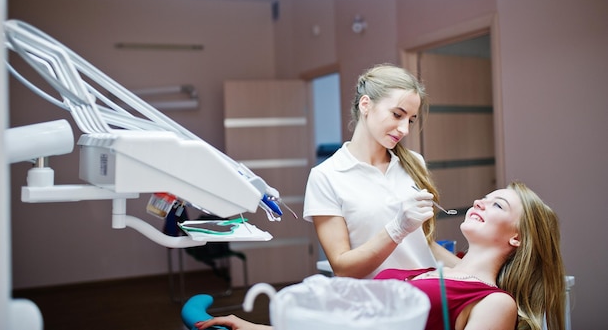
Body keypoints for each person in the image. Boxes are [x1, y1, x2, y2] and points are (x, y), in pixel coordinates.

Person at [194, 182, 566, 330]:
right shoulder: (422, 271)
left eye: (498, 203)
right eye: (486, 196)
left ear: (517, 238)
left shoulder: (494, 302)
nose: (481, 201)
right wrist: (258, 328)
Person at [303, 63, 457, 279]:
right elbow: (342, 267)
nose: (404, 130)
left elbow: (423, 245)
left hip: (425, 295)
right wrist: (397, 228)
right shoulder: (326, 176)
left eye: (411, 120)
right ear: (365, 105)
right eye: (397, 115)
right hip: (374, 304)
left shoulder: (414, 162)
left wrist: (478, 274)